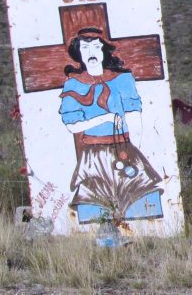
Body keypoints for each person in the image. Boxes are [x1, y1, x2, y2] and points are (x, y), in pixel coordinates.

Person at [58, 27, 164, 224]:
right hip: (94, 156)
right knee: (95, 207)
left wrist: (135, 147)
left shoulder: (122, 79)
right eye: (85, 47)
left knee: (139, 200)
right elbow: (72, 125)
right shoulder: (73, 85)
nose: (91, 53)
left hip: (124, 150)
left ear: (104, 51)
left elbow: (134, 114)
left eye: (96, 47)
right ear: (78, 52)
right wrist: (104, 119)